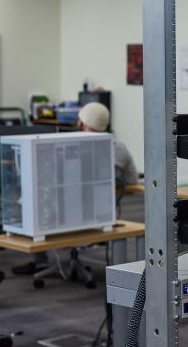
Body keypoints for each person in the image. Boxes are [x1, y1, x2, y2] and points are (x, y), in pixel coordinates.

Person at [12, 102, 138, 275]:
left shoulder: (65, 147)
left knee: (32, 199)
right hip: (101, 218)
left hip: (60, 219)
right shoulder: (119, 148)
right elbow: (132, 180)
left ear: (81, 123)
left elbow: (44, 181)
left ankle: (39, 261)